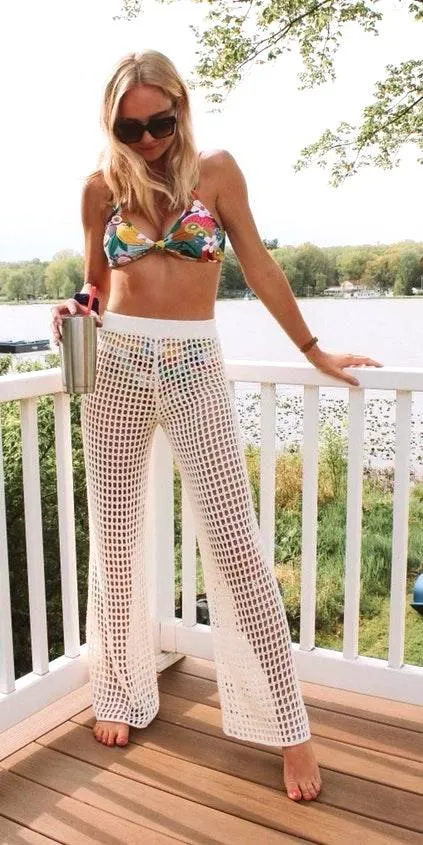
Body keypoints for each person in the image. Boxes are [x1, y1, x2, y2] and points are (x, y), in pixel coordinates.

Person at [51, 49, 381, 803]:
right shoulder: (100, 188)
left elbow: (259, 265)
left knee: (235, 546)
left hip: (194, 365)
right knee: (115, 538)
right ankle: (118, 688)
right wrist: (77, 307)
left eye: (159, 122)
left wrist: (313, 350)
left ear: (180, 107)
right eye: (129, 128)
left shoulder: (218, 173)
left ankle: (290, 728)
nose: (146, 140)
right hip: (117, 365)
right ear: (111, 126)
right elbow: (95, 282)